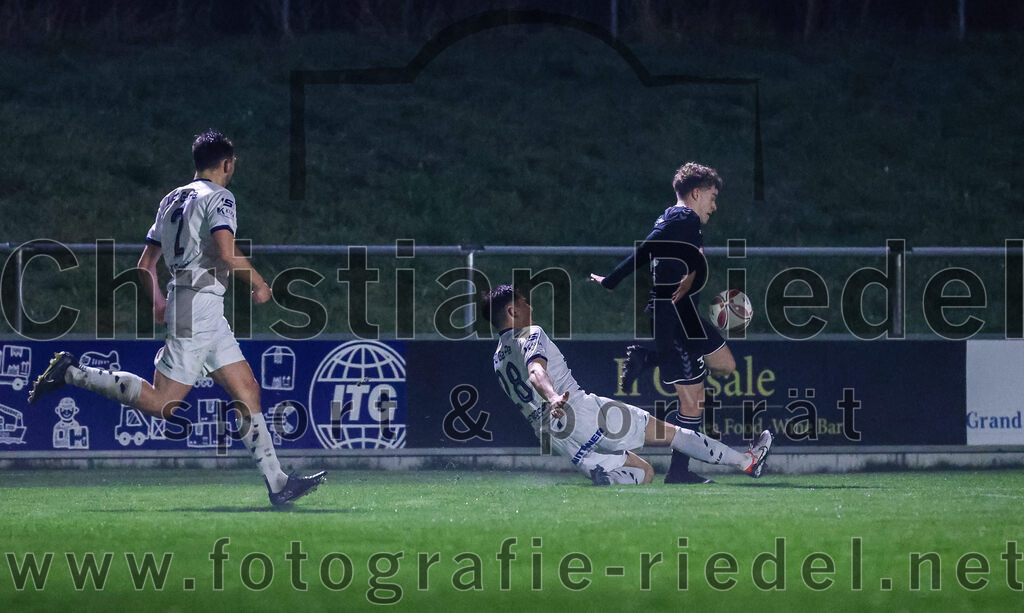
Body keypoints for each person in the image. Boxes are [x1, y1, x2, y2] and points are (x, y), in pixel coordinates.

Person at [29, 130, 326, 506]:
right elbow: (226, 249)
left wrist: (157, 301)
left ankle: (278, 483)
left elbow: (145, 265)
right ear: (227, 163)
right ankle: (73, 373)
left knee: (247, 389)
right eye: (232, 164)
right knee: (164, 404)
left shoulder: (171, 198)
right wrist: (260, 283)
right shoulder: (221, 197)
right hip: (197, 304)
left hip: (197, 303)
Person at [481, 285, 771, 484]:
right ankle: (747, 460)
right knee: (673, 434)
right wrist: (555, 396)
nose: (530, 305)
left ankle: (609, 481)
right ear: (512, 312)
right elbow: (535, 372)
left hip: (552, 436)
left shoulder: (498, 356)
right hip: (577, 412)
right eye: (523, 301)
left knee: (644, 473)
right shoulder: (530, 333)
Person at [589, 162, 737, 484]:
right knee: (700, 392)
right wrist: (612, 280)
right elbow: (648, 248)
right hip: (676, 318)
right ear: (696, 193)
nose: (715, 205)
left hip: (679, 316)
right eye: (712, 196)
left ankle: (650, 358)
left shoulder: (676, 218)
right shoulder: (683, 218)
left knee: (713, 377)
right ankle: (679, 472)